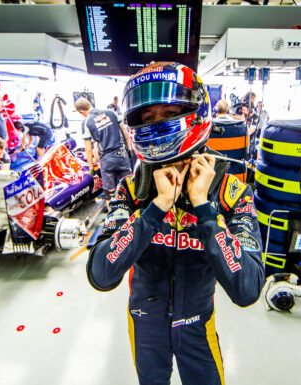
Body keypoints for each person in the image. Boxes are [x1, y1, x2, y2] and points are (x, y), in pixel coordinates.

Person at [87, 61, 264, 385]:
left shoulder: (230, 191)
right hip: (145, 323)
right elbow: (101, 274)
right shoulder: (132, 189)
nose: (156, 125)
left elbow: (247, 289)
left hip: (198, 324)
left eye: (168, 113)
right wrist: (155, 209)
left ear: (195, 113)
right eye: (148, 118)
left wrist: (204, 209)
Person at [75, 98, 131, 208]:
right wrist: (129, 150)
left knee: (109, 193)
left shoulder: (86, 122)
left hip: (107, 161)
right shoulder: (111, 112)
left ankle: (112, 220)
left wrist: (91, 168)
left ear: (81, 112)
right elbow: (125, 132)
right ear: (90, 104)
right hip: (122, 156)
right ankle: (130, 215)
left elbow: (88, 149)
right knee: (127, 187)